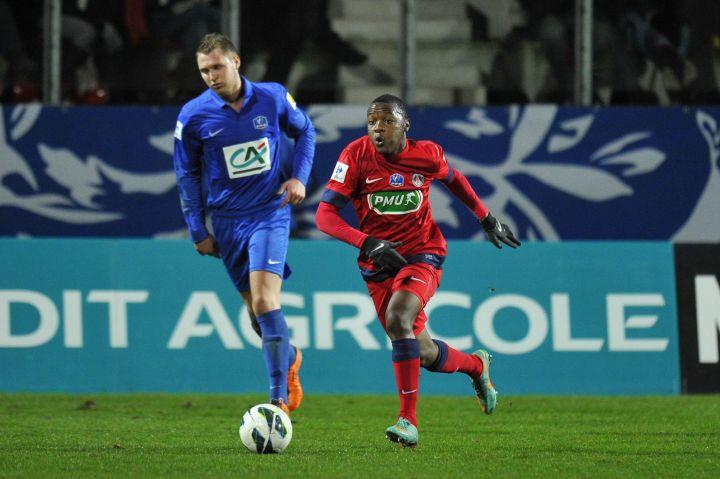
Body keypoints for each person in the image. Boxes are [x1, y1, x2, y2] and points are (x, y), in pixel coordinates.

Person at [314, 94, 520, 448]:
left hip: (422, 253)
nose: (379, 129)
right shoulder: (355, 155)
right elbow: (324, 215)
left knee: (398, 319)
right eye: (372, 122)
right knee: (421, 351)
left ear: (405, 125)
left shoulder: (427, 154)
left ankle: (408, 422)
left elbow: (455, 180)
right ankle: (475, 366)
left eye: (388, 121)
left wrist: (485, 218)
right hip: (377, 262)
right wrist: (366, 243)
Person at [173, 33, 315, 414]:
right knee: (257, 316)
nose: (211, 76)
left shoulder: (271, 96)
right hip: (227, 222)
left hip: (269, 213)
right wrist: (198, 229)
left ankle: (277, 402)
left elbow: (305, 131)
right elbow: (186, 174)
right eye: (204, 71)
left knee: (267, 301)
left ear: (236, 61)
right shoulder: (193, 115)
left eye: (217, 67)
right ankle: (291, 357)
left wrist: (299, 177)